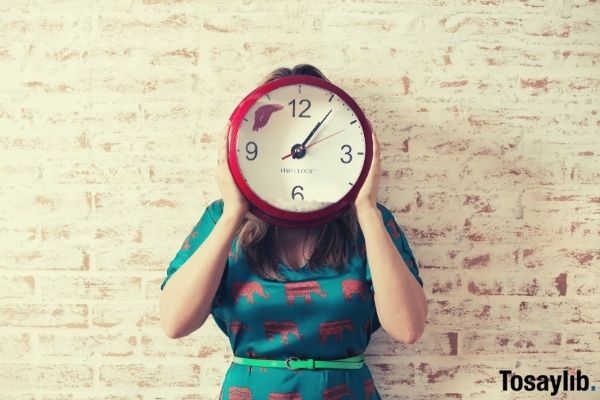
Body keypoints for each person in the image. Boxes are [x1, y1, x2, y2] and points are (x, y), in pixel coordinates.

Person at [159, 64, 427, 399]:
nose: (296, 153)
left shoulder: (370, 222)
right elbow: (174, 323)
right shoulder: (221, 219)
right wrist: (233, 213)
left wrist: (367, 208)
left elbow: (408, 328)